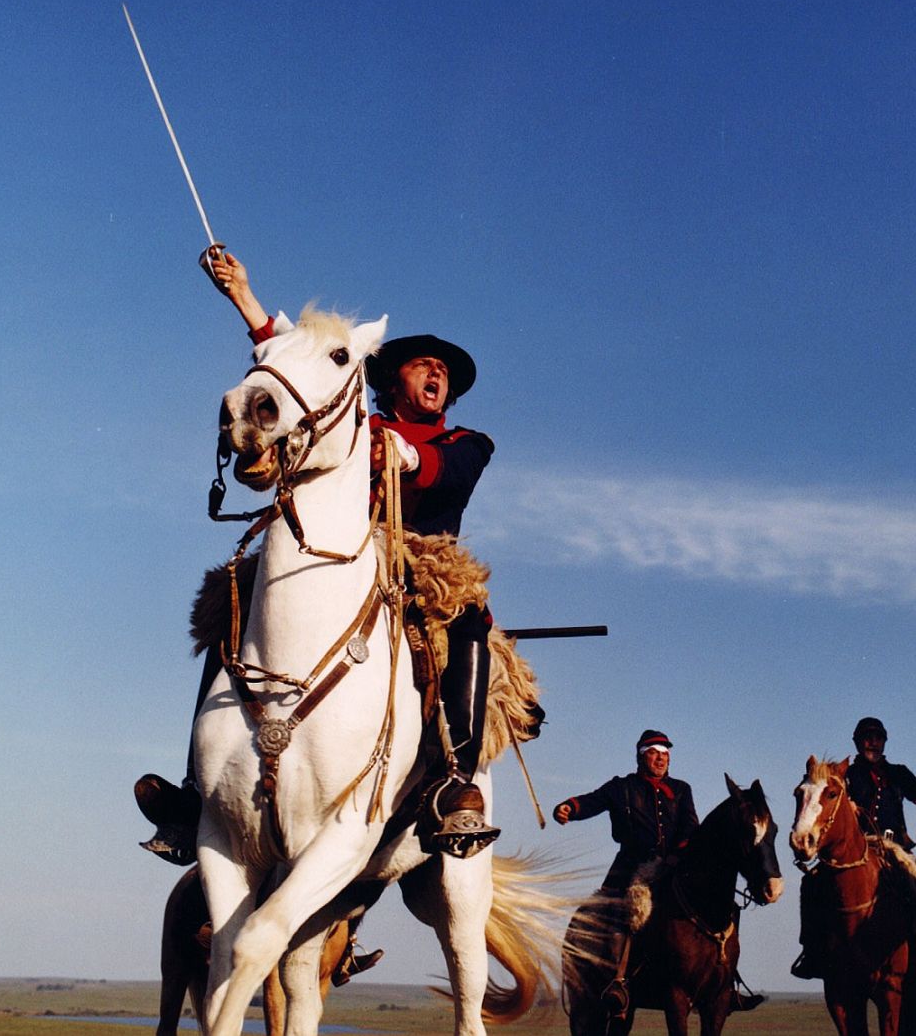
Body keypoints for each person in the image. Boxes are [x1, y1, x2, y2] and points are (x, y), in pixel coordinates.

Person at [135, 245, 502, 872]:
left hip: (421, 561)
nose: (435, 376)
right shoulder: (350, 419)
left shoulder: (467, 440)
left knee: (467, 621)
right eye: (421, 366)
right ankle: (197, 793)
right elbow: (296, 362)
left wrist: (402, 456)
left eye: (442, 371)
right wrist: (243, 295)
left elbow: (444, 472)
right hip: (329, 548)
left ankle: (455, 784)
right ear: (392, 380)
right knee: (236, 599)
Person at [553, 731, 763, 1014]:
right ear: (641, 756)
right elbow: (592, 801)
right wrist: (569, 808)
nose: (661, 759)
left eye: (665, 754)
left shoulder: (681, 789)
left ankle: (726, 983)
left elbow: (691, 828)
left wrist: (678, 855)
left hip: (674, 866)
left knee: (723, 907)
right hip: (631, 867)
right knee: (629, 912)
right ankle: (620, 981)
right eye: (654, 753)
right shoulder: (622, 787)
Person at [792, 717, 916, 985]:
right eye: (866, 737)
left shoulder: (899, 773)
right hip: (858, 848)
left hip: (894, 849)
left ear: (884, 742)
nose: (872, 742)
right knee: (811, 883)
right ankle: (812, 953)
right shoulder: (847, 776)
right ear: (857, 742)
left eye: (877, 737)